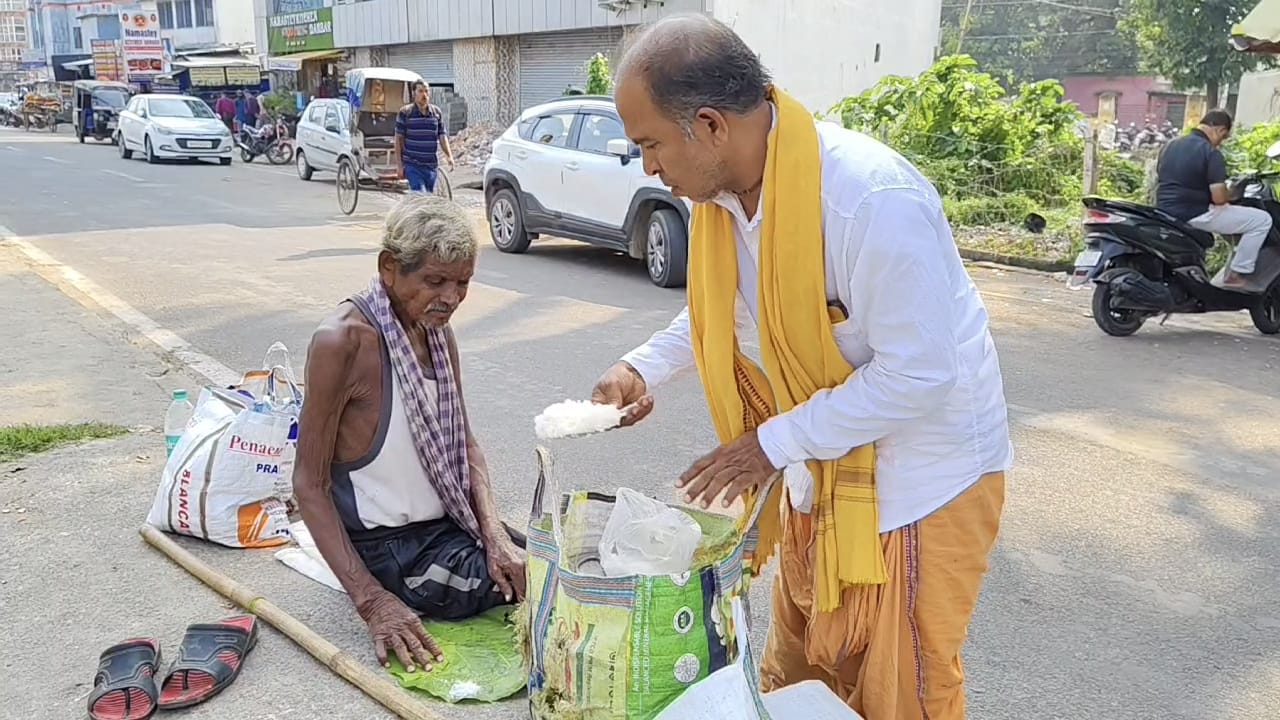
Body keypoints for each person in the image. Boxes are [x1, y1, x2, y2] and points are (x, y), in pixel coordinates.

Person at [589, 14, 1011, 720]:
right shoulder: (725, 204)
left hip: (923, 480)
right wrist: (640, 368)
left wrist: (772, 444)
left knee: (901, 687)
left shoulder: (870, 201)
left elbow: (920, 373)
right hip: (828, 468)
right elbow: (723, 315)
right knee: (802, 667)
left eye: (651, 144)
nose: (648, 167)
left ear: (711, 126)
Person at [293, 194, 526, 673]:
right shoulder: (342, 341)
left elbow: (465, 444)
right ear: (389, 269)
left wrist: (495, 533)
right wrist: (371, 601)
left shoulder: (437, 332)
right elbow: (308, 484)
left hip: (447, 522)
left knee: (545, 556)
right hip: (390, 547)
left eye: (462, 283)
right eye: (435, 281)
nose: (451, 298)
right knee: (537, 586)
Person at [1157, 109, 1271, 288]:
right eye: (1223, 137)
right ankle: (1237, 273)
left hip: (1164, 210)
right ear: (1218, 130)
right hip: (1195, 213)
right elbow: (1219, 199)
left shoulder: (1170, 145)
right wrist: (1232, 192)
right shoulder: (1210, 152)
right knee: (1261, 220)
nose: (1221, 143)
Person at [395, 80, 456, 193]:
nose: (424, 95)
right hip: (413, 164)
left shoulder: (436, 113)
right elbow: (398, 140)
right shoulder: (405, 112)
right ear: (414, 93)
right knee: (420, 194)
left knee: (428, 195)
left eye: (427, 91)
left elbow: (442, 136)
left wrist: (449, 156)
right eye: (421, 91)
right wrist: (399, 166)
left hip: (431, 165)